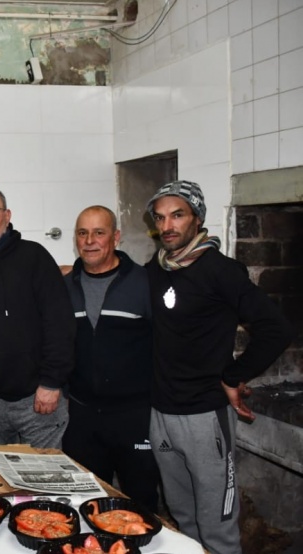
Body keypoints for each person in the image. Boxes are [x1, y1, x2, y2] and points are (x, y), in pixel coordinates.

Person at [146, 180, 294, 554]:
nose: (167, 226)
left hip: (205, 416)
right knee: (183, 517)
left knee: (218, 527)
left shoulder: (221, 270)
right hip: (160, 413)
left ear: (197, 218)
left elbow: (276, 329)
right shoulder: (156, 269)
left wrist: (233, 375)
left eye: (177, 215)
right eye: (160, 218)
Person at [0, 187, 74, 448]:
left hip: (35, 400)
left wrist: (52, 382)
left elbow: (60, 324)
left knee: (43, 471)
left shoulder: (33, 257)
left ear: (7, 216)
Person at [62, 206, 160, 511]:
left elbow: (168, 343)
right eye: (82, 233)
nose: (90, 241)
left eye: (99, 233)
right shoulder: (64, 287)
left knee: (141, 504)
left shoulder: (144, 282)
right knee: (87, 504)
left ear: (115, 237)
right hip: (82, 417)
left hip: (135, 417)